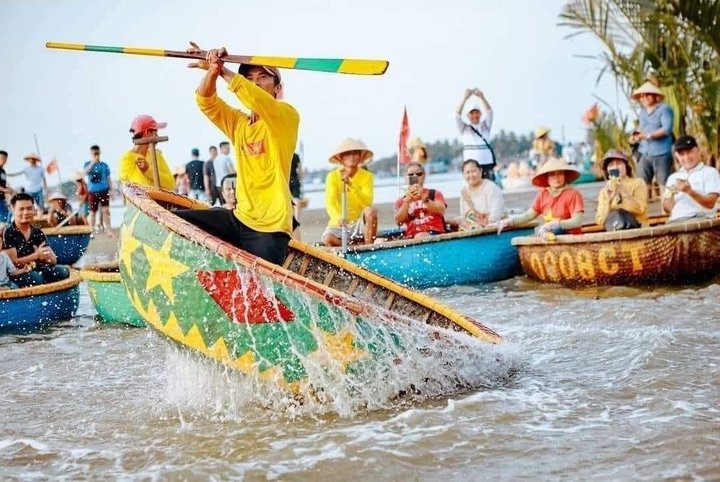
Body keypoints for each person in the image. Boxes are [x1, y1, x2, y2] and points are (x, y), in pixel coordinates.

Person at [174, 43, 299, 265]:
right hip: (239, 217)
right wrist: (213, 72)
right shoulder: (239, 123)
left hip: (270, 227)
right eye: (249, 78)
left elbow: (257, 100)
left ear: (277, 88)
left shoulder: (286, 117)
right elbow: (206, 102)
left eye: (263, 77)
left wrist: (222, 69)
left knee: (264, 290)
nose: (255, 83)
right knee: (174, 222)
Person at [498, 157, 585, 236]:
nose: (556, 178)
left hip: (570, 236)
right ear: (547, 178)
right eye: (552, 174)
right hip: (550, 234)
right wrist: (509, 222)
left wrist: (556, 224)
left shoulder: (573, 194)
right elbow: (528, 215)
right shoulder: (543, 194)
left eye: (560, 174)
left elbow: (577, 221)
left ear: (565, 176)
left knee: (549, 232)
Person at [3, 193, 69, 287]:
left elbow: (52, 258)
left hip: (38, 268)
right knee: (37, 279)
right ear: (13, 210)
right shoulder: (9, 232)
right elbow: (13, 263)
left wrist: (50, 258)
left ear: (34, 209)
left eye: (29, 208)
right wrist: (36, 255)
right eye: (21, 209)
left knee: (63, 271)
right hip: (18, 273)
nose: (26, 212)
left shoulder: (37, 231)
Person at [321, 138, 378, 246]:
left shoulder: (367, 176)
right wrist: (339, 218)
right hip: (340, 223)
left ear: (361, 156)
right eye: (347, 154)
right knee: (328, 239)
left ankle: (367, 246)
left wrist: (351, 184)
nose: (352, 156)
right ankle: (352, 247)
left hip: (359, 223)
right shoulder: (332, 177)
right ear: (341, 158)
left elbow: (367, 202)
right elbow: (330, 203)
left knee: (371, 211)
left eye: (355, 153)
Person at [629, 81, 675, 198]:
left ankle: (666, 213)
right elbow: (641, 127)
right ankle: (643, 214)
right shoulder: (643, 112)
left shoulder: (664, 109)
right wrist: (635, 136)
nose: (644, 98)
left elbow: (666, 129)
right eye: (642, 96)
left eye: (647, 95)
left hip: (661, 152)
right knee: (641, 184)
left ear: (655, 96)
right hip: (645, 152)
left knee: (663, 183)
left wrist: (647, 136)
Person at [663, 135, 720, 223]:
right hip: (675, 221)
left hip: (700, 220)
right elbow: (667, 210)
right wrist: (671, 195)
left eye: (690, 152)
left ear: (698, 151)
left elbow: (711, 203)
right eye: (682, 154)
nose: (686, 157)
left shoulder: (710, 172)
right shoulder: (672, 178)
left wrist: (690, 192)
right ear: (676, 155)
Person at [119, 114, 175, 190]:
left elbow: (171, 184)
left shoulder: (157, 155)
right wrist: (146, 171)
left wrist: (148, 169)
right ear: (147, 132)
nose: (157, 136)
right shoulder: (127, 159)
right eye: (155, 132)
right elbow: (136, 189)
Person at [595, 149, 648, 229]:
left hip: (638, 228)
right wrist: (608, 201)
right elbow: (600, 220)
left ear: (626, 166)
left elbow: (641, 209)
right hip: (615, 230)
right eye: (611, 165)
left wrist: (621, 190)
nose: (615, 167)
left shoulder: (638, 183)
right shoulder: (604, 192)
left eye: (619, 163)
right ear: (607, 170)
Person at [394, 161, 447, 239]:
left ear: (424, 176)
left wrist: (423, 196)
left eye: (418, 174)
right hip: (412, 236)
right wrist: (406, 202)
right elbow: (398, 221)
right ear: (405, 178)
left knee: (421, 236)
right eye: (411, 174)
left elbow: (441, 210)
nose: (415, 176)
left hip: (435, 232)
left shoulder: (434, 193)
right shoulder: (400, 201)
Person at [456, 88, 495, 180]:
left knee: (489, 189)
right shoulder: (464, 128)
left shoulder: (485, 126)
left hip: (487, 163)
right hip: (471, 166)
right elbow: (457, 115)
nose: (474, 116)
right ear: (468, 115)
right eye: (472, 113)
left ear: (480, 114)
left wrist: (482, 97)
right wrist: (464, 99)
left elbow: (490, 112)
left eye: (477, 113)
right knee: (472, 191)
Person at [457, 159, 504, 229]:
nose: (471, 175)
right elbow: (464, 216)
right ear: (463, 175)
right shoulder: (464, 192)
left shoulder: (490, 187)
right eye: (467, 172)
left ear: (480, 171)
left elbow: (496, 212)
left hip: (491, 227)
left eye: (473, 171)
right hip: (471, 228)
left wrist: (486, 224)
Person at [83, 145, 113, 234]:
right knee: (92, 212)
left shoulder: (104, 165)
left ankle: (108, 229)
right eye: (94, 153)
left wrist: (111, 189)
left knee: (106, 210)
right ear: (91, 153)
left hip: (104, 190)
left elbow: (108, 178)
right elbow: (84, 173)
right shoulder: (87, 164)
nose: (96, 155)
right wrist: (93, 162)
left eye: (97, 153)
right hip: (93, 191)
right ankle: (91, 230)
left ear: (100, 153)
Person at [0, 150, 14, 223]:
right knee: (4, 219)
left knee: (8, 218)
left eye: (5, 158)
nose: (3, 160)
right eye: (1, 158)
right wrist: (5, 190)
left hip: (2, 199)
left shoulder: (3, 171)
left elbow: (3, 185)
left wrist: (9, 189)